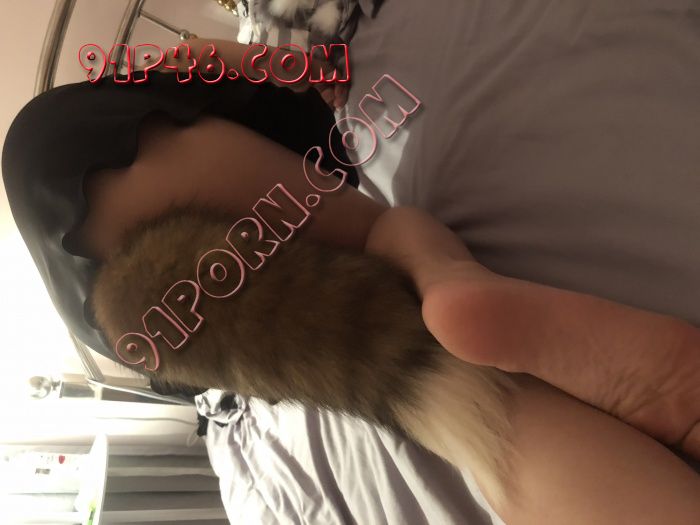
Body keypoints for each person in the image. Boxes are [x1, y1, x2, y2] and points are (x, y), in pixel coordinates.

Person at [3, 39, 698, 524]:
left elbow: (190, 60)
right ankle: (444, 275)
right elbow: (210, 59)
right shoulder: (191, 78)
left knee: (445, 399)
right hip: (89, 149)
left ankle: (457, 325)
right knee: (381, 235)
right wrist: (319, 64)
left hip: (123, 320)